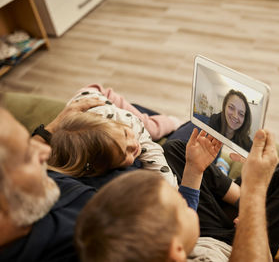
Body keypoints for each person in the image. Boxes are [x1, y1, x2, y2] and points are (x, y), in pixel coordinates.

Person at [75, 128, 279, 261]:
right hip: (238, 249)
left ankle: (235, 195)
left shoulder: (165, 249)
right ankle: (245, 201)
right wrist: (254, 199)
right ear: (175, 250)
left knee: (174, 150)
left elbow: (185, 204)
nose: (188, 205)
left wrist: (194, 171)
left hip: (203, 236)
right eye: (182, 208)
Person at [0, 99, 101, 262]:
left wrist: (49, 132)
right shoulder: (80, 247)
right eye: (27, 157)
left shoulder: (24, 199)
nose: (46, 150)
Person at [47, 111, 177, 188]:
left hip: (119, 112)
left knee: (151, 126)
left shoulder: (122, 120)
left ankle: (170, 120)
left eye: (126, 134)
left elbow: (152, 152)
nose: (134, 145)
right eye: (123, 154)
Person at [73, 84, 183, 141]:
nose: (135, 148)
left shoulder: (126, 120)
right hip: (87, 107)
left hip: (94, 97)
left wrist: (174, 122)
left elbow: (151, 130)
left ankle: (175, 122)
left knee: (151, 128)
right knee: (137, 108)